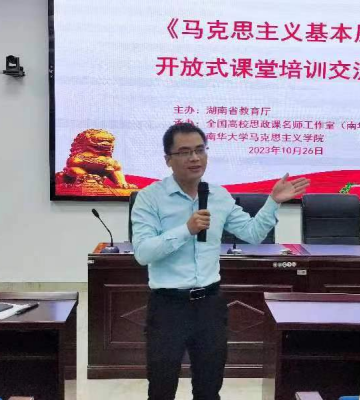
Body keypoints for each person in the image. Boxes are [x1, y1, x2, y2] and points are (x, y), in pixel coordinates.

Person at [131, 123, 311, 400]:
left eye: (200, 150)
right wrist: (186, 229)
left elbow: (252, 234)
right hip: (168, 307)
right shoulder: (149, 198)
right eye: (185, 152)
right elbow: (143, 253)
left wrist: (273, 202)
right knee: (161, 388)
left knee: (209, 387)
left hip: (209, 305)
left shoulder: (219, 196)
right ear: (168, 159)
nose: (195, 158)